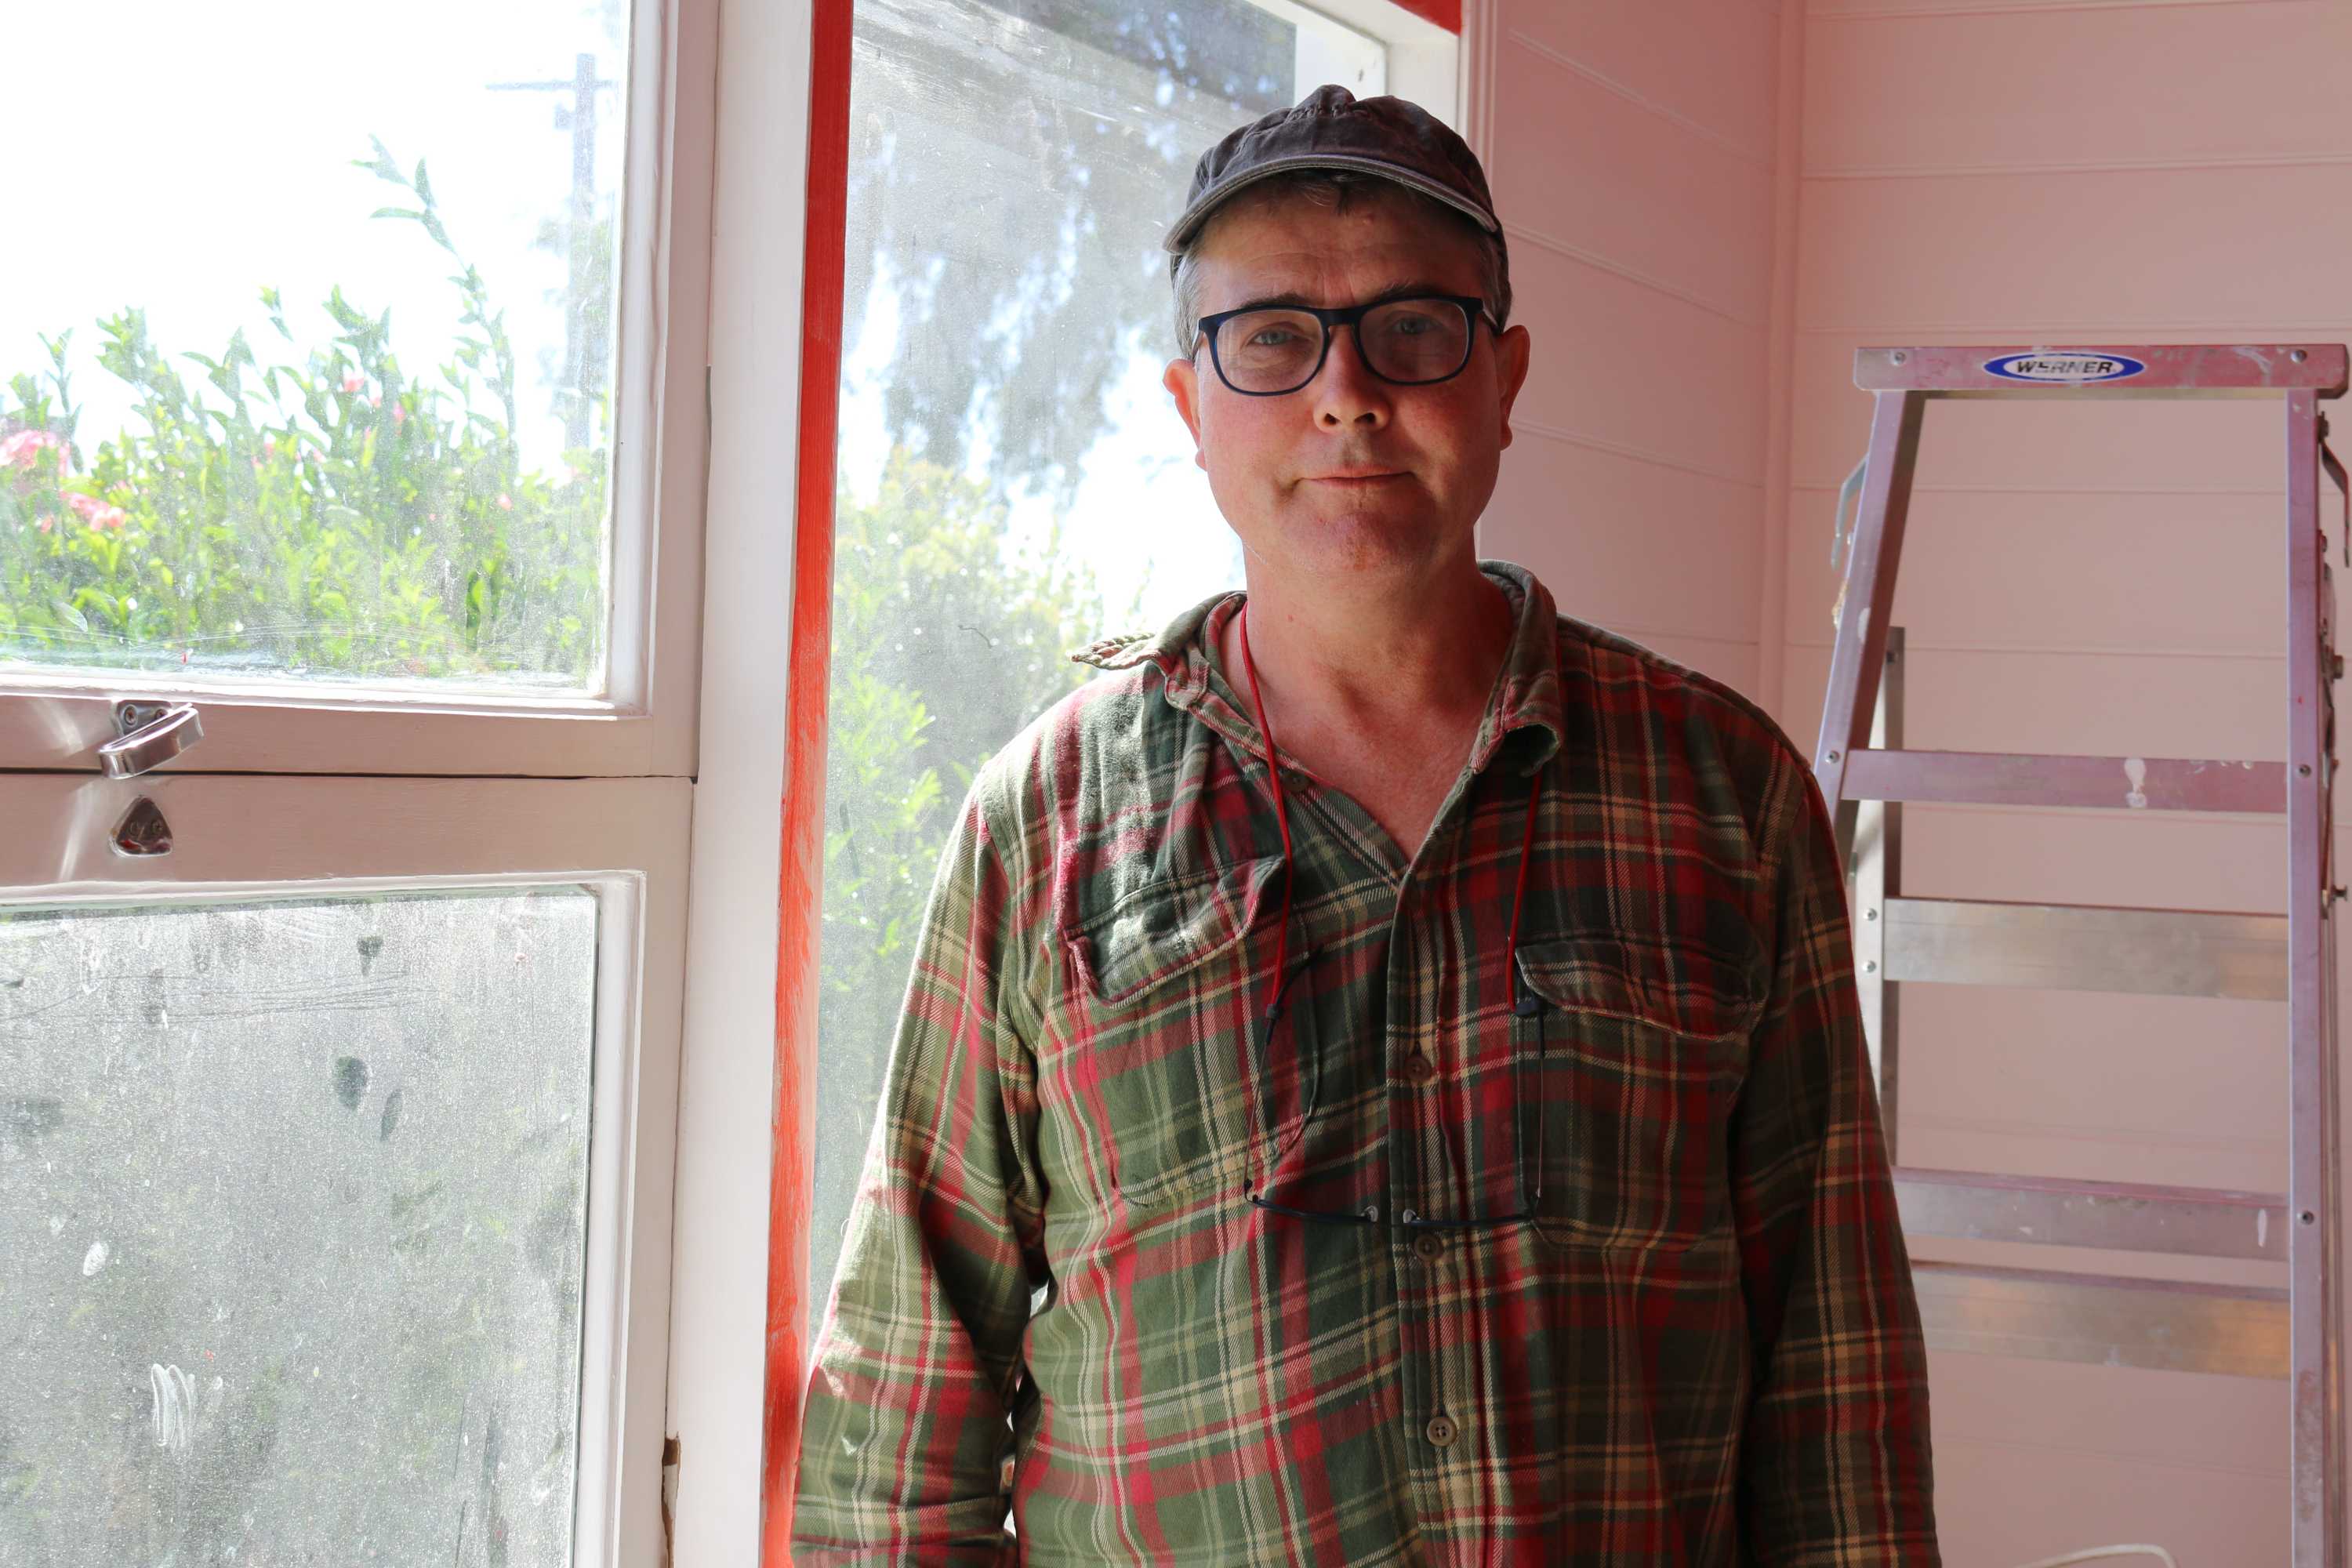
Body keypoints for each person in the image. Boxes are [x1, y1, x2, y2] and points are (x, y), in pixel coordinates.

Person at [791, 84, 1940, 1566]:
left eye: (1411, 327)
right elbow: (902, 1425)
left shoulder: (1726, 796)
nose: (1346, 393)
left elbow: (1836, 1377)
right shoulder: (1045, 827)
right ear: (1190, 407)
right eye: (1273, 338)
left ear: (1505, 378)